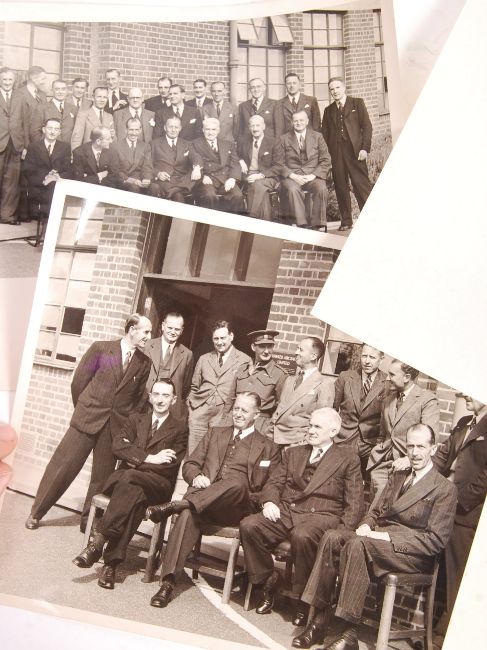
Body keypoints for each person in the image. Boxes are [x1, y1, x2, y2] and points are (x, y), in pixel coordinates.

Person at [298, 424, 457, 650]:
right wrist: (366, 525)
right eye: (410, 446)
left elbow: (434, 541)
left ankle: (348, 631)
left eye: (421, 447)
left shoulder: (444, 488)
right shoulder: (398, 476)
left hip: (410, 554)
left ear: (433, 448)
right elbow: (375, 511)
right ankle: (319, 619)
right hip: (376, 540)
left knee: (358, 545)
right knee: (332, 537)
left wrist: (385, 538)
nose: (414, 452)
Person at [146, 391, 280, 608]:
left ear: (256, 415)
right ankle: (168, 583)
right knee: (188, 515)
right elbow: (190, 464)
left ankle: (177, 505)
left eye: (244, 411)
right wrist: (196, 476)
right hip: (203, 503)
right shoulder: (215, 433)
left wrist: (269, 502)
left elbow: (272, 484)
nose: (238, 414)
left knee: (237, 484)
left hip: (235, 508)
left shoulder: (268, 447)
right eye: (236, 408)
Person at [25, 314, 152, 533]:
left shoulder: (144, 363)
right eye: (146, 332)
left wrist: (125, 427)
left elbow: (139, 400)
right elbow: (79, 382)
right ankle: (36, 513)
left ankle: (90, 522)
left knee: (101, 479)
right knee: (62, 467)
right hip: (87, 419)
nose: (149, 336)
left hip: (114, 428)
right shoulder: (101, 349)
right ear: (132, 330)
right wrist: (84, 408)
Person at [240, 407, 364, 630]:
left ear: (333, 431)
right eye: (310, 425)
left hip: (323, 515)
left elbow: (354, 502)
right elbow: (274, 483)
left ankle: (303, 601)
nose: (311, 430)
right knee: (249, 525)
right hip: (288, 511)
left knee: (302, 535)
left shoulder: (347, 458)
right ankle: (268, 581)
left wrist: (343, 533)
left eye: (317, 427)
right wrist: (269, 502)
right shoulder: (293, 453)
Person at [72, 379, 188, 590]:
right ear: (150, 397)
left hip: (157, 485)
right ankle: (111, 564)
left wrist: (134, 458)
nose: (160, 400)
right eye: (156, 394)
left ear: (173, 400)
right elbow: (117, 446)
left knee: (130, 477)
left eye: (166, 395)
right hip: (132, 485)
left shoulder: (179, 428)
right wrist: (150, 458)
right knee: (135, 494)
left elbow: (169, 466)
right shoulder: (136, 419)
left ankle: (99, 540)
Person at [433, 394, 487, 647]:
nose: (464, 394)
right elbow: (442, 456)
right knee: (442, 572)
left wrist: (458, 501)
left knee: (457, 576)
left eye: (470, 391)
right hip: (445, 504)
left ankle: (445, 637)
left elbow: (484, 478)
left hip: (466, 512)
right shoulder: (465, 422)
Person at [367, 359, 439, 504]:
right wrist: (378, 451)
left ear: (407, 377)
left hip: (408, 466)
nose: (388, 378)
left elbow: (430, 438)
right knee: (374, 507)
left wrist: (408, 459)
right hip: (382, 464)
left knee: (390, 508)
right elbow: (383, 434)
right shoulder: (388, 399)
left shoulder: (427, 400)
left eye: (392, 374)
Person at [187, 319, 251, 453]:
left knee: (214, 453)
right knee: (193, 453)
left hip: (224, 414)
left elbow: (245, 392)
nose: (219, 342)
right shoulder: (204, 359)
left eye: (223, 338)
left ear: (231, 336)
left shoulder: (244, 360)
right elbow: (194, 386)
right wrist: (192, 409)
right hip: (200, 411)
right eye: (216, 339)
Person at [321, 77, 373, 232]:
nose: (335, 91)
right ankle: (346, 221)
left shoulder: (357, 103)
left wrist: (364, 149)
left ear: (344, 88)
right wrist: (328, 157)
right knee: (341, 187)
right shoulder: (328, 110)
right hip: (336, 152)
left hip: (355, 152)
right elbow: (325, 135)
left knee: (361, 185)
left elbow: (367, 127)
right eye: (332, 89)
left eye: (337, 87)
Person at [333, 343, 388, 475]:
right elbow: (332, 409)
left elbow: (387, 419)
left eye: (372, 357)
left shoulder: (387, 383)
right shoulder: (345, 377)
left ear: (381, 359)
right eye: (364, 356)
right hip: (343, 439)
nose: (367, 361)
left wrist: (379, 444)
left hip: (370, 445)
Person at [270, 337, 334, 445]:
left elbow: (322, 421)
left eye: (301, 350)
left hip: (296, 443)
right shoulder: (290, 379)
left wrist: (303, 444)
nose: (296, 352)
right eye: (297, 348)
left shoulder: (324, 384)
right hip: (273, 436)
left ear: (313, 356)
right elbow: (280, 408)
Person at [274, 110, 330, 230]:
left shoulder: (317, 137)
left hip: (312, 176)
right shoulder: (283, 139)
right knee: (293, 190)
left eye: (301, 120)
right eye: (296, 121)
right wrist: (293, 176)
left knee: (321, 188)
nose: (298, 123)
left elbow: (326, 160)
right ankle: (302, 225)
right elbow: (278, 163)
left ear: (307, 121)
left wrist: (313, 175)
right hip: (292, 177)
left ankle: (317, 224)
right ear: (291, 122)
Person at [144, 312, 194, 422]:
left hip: (170, 410)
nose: (173, 332)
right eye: (170, 328)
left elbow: (185, 386)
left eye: (177, 329)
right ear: (163, 326)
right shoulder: (147, 346)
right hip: (145, 406)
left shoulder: (187, 354)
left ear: (182, 331)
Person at [236, 329, 286, 436]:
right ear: (253, 347)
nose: (267, 351)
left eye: (270, 346)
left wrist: (269, 429)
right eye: (262, 346)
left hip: (260, 425)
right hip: (236, 420)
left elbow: (282, 406)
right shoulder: (242, 369)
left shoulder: (279, 374)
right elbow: (231, 399)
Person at [190, 117, 244, 214]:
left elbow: (235, 163)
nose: (210, 132)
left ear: (218, 130)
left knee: (237, 195)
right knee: (209, 196)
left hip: (225, 178)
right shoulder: (194, 144)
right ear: (203, 130)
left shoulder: (228, 144)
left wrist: (232, 178)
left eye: (213, 129)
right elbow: (192, 162)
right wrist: (202, 176)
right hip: (207, 179)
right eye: (207, 129)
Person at [23, 117, 72, 219]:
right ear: (44, 129)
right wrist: (46, 178)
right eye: (50, 128)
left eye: (56, 129)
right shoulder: (33, 147)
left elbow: (68, 169)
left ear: (59, 132)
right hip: (39, 184)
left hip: (57, 184)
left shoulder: (65, 147)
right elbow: (28, 170)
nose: (52, 132)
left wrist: (56, 176)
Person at [237, 114, 279, 221]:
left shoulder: (274, 142)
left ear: (263, 126)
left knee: (257, 184)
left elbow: (278, 165)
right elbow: (234, 155)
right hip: (249, 176)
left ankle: (252, 217)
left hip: (268, 177)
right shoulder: (243, 141)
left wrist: (260, 175)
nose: (255, 129)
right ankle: (266, 223)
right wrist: (240, 160)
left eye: (258, 125)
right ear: (249, 127)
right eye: (252, 126)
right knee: (262, 193)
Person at [0, 67, 27, 225]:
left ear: (14, 80)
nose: (7, 82)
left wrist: (25, 146)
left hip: (16, 144)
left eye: (10, 79)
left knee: (11, 183)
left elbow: (25, 122)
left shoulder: (20, 97)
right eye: (4, 79)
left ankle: (7, 216)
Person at [150, 115, 196, 202]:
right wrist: (158, 173)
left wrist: (197, 167)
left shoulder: (187, 144)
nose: (173, 130)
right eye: (170, 127)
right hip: (163, 181)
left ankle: (174, 190)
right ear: (165, 128)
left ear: (180, 128)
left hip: (181, 181)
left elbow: (196, 157)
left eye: (176, 127)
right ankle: (174, 191)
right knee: (178, 196)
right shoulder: (154, 144)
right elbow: (147, 165)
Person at [111, 117, 154, 193]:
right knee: (134, 188)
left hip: (140, 180)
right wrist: (128, 179)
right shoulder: (116, 146)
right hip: (123, 180)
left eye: (137, 130)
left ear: (140, 130)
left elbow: (147, 166)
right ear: (126, 130)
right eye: (131, 130)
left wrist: (146, 179)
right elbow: (115, 169)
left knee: (155, 187)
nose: (134, 133)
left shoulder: (145, 146)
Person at [30, 79, 78, 144]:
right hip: (48, 148)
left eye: (63, 89)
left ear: (67, 91)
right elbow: (35, 132)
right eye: (57, 89)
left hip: (67, 148)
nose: (60, 92)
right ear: (52, 90)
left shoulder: (73, 109)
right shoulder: (41, 108)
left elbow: (76, 132)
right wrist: (42, 147)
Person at [275, 72, 321, 136]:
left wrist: (315, 140)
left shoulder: (311, 101)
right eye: (289, 83)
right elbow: (279, 129)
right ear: (285, 85)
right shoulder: (279, 104)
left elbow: (317, 126)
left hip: (308, 139)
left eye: (294, 83)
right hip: (288, 140)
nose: (292, 86)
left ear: (299, 84)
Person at [71, 86, 116, 151]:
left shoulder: (109, 116)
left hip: (105, 155)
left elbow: (113, 141)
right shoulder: (83, 115)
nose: (102, 100)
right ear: (93, 98)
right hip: (87, 154)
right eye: (99, 97)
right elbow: (76, 139)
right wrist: (75, 155)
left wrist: (113, 136)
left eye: (105, 97)